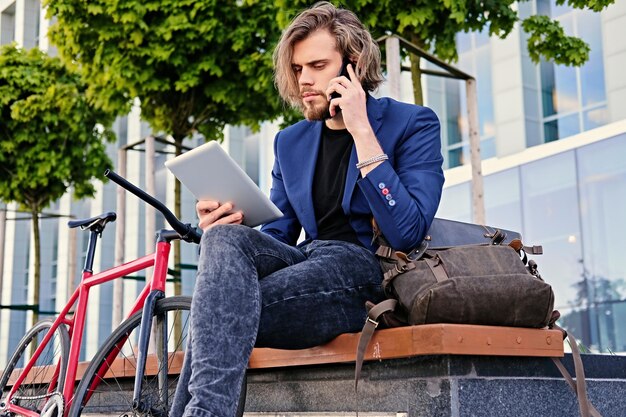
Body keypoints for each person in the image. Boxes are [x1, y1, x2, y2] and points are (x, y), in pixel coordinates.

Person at [170, 2, 444, 416]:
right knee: (224, 247)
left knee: (220, 311)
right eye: (298, 69)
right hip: (307, 258)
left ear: (354, 64)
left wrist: (362, 132)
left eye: (316, 65)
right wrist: (229, 226)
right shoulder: (290, 142)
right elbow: (278, 237)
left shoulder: (413, 124)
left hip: (367, 269)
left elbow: (407, 231)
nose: (304, 80)